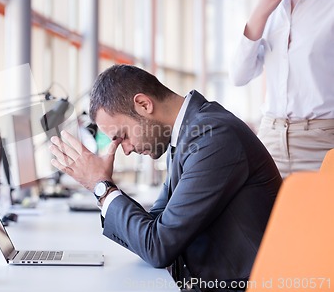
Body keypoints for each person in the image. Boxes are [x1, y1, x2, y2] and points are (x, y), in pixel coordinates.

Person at [49, 64, 282, 292]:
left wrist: (102, 187)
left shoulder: (213, 137)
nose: (127, 150)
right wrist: (103, 185)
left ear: (143, 104)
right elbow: (154, 227)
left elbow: (158, 246)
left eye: (124, 136)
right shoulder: (186, 135)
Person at [230, 0, 334, 179]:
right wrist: (259, 13)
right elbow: (239, 76)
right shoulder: (271, 1)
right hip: (269, 140)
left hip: (323, 144)